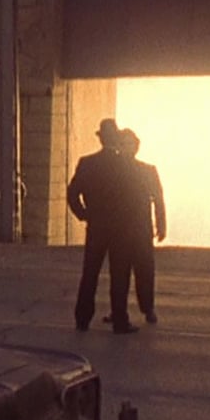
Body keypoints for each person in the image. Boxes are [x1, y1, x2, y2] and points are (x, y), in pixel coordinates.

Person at [67, 118, 136, 334]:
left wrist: (84, 214)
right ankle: (120, 321)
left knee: (90, 273)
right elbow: (133, 198)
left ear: (101, 138)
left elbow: (72, 193)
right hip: (121, 228)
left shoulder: (87, 163)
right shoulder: (126, 165)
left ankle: (82, 319)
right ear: (115, 138)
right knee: (120, 275)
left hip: (96, 226)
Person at [109, 129, 166, 325]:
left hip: (139, 229)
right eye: (124, 144)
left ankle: (148, 308)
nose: (127, 148)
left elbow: (158, 199)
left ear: (136, 147)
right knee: (119, 274)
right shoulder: (115, 171)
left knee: (144, 271)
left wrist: (161, 224)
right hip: (122, 229)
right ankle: (120, 311)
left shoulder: (146, 170)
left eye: (130, 144)